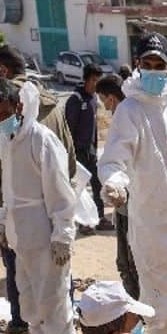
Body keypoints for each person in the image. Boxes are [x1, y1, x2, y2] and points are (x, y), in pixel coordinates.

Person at [97, 33, 167, 334]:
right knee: (159, 291)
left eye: (159, 65)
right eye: (147, 65)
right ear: (137, 66)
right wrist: (116, 184)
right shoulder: (129, 110)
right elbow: (113, 159)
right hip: (149, 219)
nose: (153, 71)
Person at [0, 77, 84, 334]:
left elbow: (60, 190)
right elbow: (11, 189)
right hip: (21, 236)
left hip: (45, 234)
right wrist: (4, 221)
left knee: (54, 299)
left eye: (4, 113)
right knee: (28, 296)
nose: (0, 120)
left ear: (19, 106)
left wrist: (63, 235)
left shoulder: (40, 139)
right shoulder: (7, 139)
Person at [93, 74, 138, 297]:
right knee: (125, 262)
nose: (103, 106)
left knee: (131, 262)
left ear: (111, 98)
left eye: (103, 100)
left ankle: (140, 310)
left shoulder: (128, 119)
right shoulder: (125, 119)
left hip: (132, 206)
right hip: (123, 204)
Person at [66, 63, 105, 233]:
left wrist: (95, 147)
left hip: (91, 150)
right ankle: (83, 222)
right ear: (86, 80)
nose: (96, 84)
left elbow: (94, 127)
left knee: (98, 183)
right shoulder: (75, 99)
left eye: (98, 80)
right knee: (80, 188)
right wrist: (71, 154)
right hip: (77, 152)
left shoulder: (94, 99)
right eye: (94, 80)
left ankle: (100, 218)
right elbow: (69, 129)